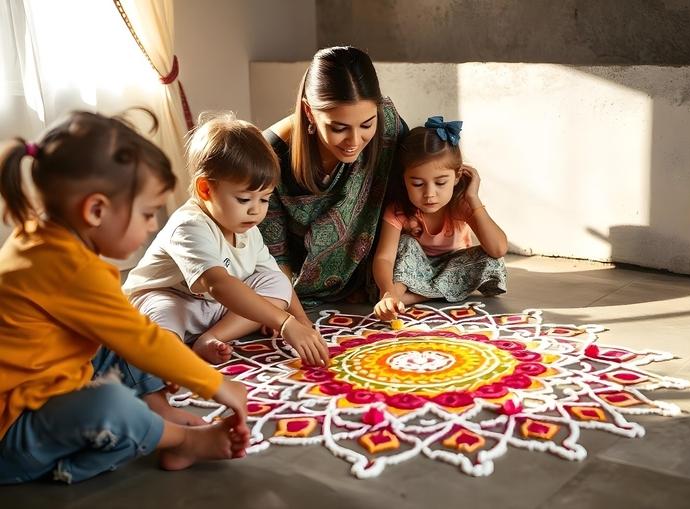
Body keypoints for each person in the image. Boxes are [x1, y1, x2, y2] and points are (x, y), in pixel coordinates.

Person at [0, 111, 249, 485]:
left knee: (131, 338)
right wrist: (219, 386)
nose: (153, 226)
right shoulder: (68, 269)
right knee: (114, 399)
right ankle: (181, 441)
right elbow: (141, 341)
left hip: (48, 383)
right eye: (148, 214)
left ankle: (156, 410)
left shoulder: (43, 236)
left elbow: (132, 336)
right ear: (96, 210)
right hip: (12, 434)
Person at [123, 113, 328, 367]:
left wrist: (299, 320)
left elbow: (275, 277)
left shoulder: (247, 227)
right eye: (244, 199)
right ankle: (173, 352)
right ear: (205, 189)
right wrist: (283, 323)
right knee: (162, 322)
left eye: (264, 199)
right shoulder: (190, 225)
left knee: (277, 283)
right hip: (172, 300)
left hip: (215, 309)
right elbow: (218, 284)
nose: (256, 210)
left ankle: (211, 338)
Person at [259, 45, 407, 305]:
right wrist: (293, 316)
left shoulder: (389, 125)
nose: (354, 140)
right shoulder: (269, 155)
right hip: (293, 279)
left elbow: (408, 191)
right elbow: (274, 253)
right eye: (339, 128)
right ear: (309, 112)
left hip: (370, 264)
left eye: (367, 124)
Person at [373, 117, 508, 320]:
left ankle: (415, 296)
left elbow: (498, 249)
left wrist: (473, 197)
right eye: (418, 184)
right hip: (414, 270)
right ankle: (395, 299)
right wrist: (386, 292)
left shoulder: (461, 204)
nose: (429, 194)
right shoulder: (399, 210)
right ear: (404, 180)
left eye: (440, 183)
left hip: (452, 267)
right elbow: (385, 258)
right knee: (405, 244)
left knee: (492, 261)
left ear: (457, 176)